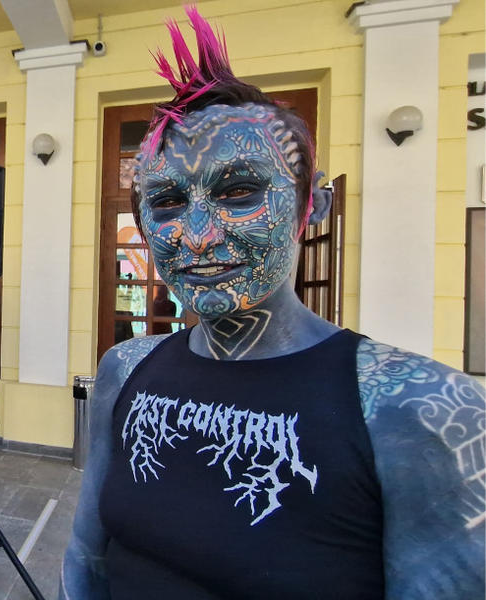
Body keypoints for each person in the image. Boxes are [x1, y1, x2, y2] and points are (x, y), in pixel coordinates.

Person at [60, 7, 485, 599]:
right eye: (166, 201)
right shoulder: (125, 370)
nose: (199, 234)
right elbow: (86, 556)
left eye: (238, 193)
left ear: (313, 208)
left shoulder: (416, 409)